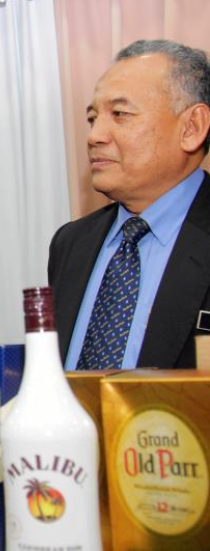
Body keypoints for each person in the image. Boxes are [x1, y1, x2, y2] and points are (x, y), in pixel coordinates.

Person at [49, 39, 210, 371]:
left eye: (120, 114)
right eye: (93, 118)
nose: (94, 136)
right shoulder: (71, 243)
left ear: (191, 128)